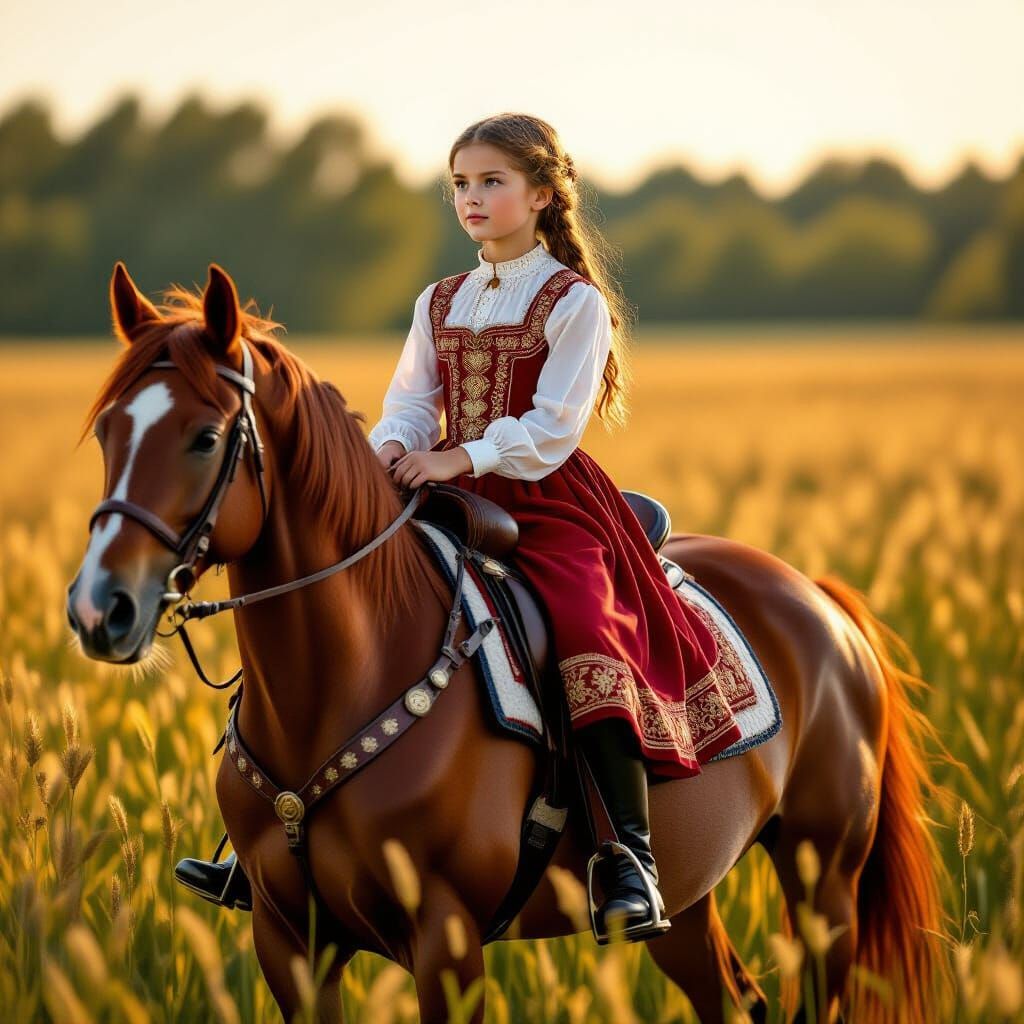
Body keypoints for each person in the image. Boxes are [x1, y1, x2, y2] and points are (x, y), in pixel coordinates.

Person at [177, 113, 747, 940]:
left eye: (490, 182)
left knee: (586, 626)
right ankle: (268, 833)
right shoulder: (438, 299)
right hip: (439, 488)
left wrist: (461, 456)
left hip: (545, 498)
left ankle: (628, 855)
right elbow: (409, 403)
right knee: (340, 610)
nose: (471, 199)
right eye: (460, 184)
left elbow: (557, 424)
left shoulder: (572, 300)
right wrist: (391, 457)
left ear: (543, 195)